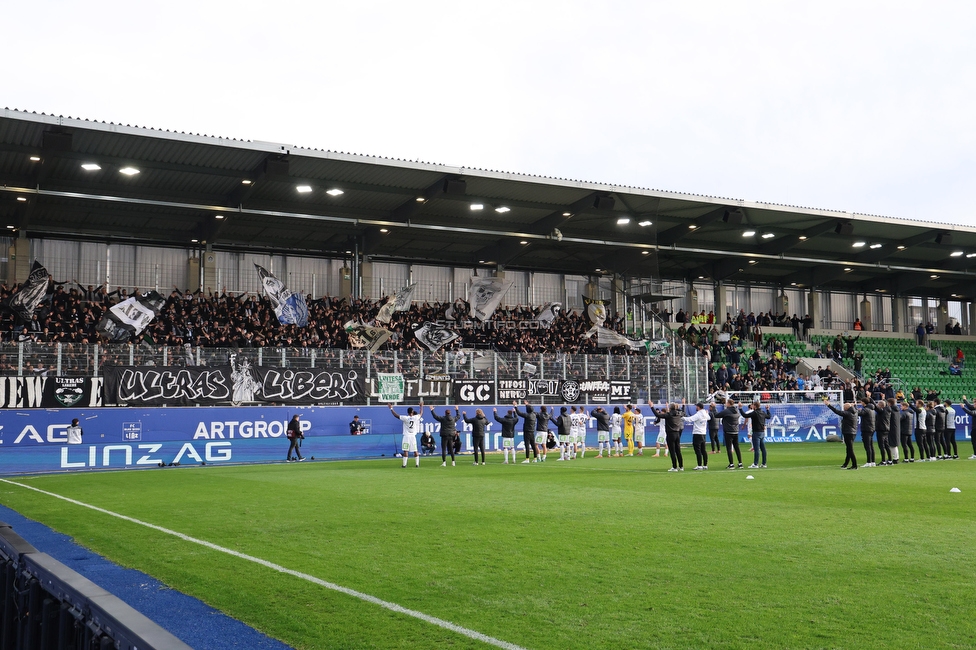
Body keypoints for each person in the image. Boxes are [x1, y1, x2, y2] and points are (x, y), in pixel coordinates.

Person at [824, 398, 859, 469]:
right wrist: (853, 405)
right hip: (853, 432)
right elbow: (853, 407)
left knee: (850, 449)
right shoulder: (855, 412)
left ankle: (854, 465)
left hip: (848, 432)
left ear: (846, 408)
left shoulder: (847, 413)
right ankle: (846, 464)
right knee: (849, 449)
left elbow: (837, 411)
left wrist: (829, 405)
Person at [651, 403, 685, 471]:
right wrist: (683, 405)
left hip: (670, 433)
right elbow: (683, 412)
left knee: (672, 451)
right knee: (678, 451)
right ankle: (681, 466)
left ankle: (674, 467)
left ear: (670, 408)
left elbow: (658, 415)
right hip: (677, 433)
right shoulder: (679, 414)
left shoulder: (669, 415)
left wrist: (652, 407)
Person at [389, 401, 423, 468]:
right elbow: (421, 413)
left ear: (407, 412)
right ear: (412, 412)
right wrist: (421, 406)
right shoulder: (415, 417)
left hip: (406, 436)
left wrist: (391, 409)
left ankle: (404, 465)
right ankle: (417, 464)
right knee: (415, 450)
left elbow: (396, 415)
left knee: (405, 450)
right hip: (413, 436)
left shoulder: (405, 418)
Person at [741, 401, 772, 468]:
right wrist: (767, 410)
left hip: (756, 432)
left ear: (754, 406)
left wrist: (740, 408)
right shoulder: (763, 412)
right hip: (762, 432)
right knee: (763, 448)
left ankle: (755, 464)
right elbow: (769, 416)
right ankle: (764, 463)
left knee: (756, 449)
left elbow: (745, 415)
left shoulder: (754, 413)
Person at [714, 399, 743, 469]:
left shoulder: (727, 411)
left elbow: (717, 415)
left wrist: (714, 408)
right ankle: (740, 463)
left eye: (727, 403)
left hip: (728, 432)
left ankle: (731, 464)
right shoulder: (736, 411)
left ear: (729, 404)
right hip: (736, 431)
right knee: (737, 448)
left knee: (729, 448)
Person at [681, 402, 710, 470]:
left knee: (698, 450)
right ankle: (705, 465)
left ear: (698, 407)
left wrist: (682, 418)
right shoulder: (705, 413)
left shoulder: (698, 414)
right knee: (703, 450)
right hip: (703, 433)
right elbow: (709, 418)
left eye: (696, 406)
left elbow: (690, 419)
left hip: (697, 433)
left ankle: (699, 465)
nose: (696, 407)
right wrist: (707, 413)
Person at [857, 399, 877, 467]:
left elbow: (858, 413)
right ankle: (873, 461)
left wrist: (854, 408)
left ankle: (869, 462)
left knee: (867, 446)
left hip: (867, 429)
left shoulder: (866, 409)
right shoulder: (871, 409)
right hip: (871, 428)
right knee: (871, 446)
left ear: (864, 402)